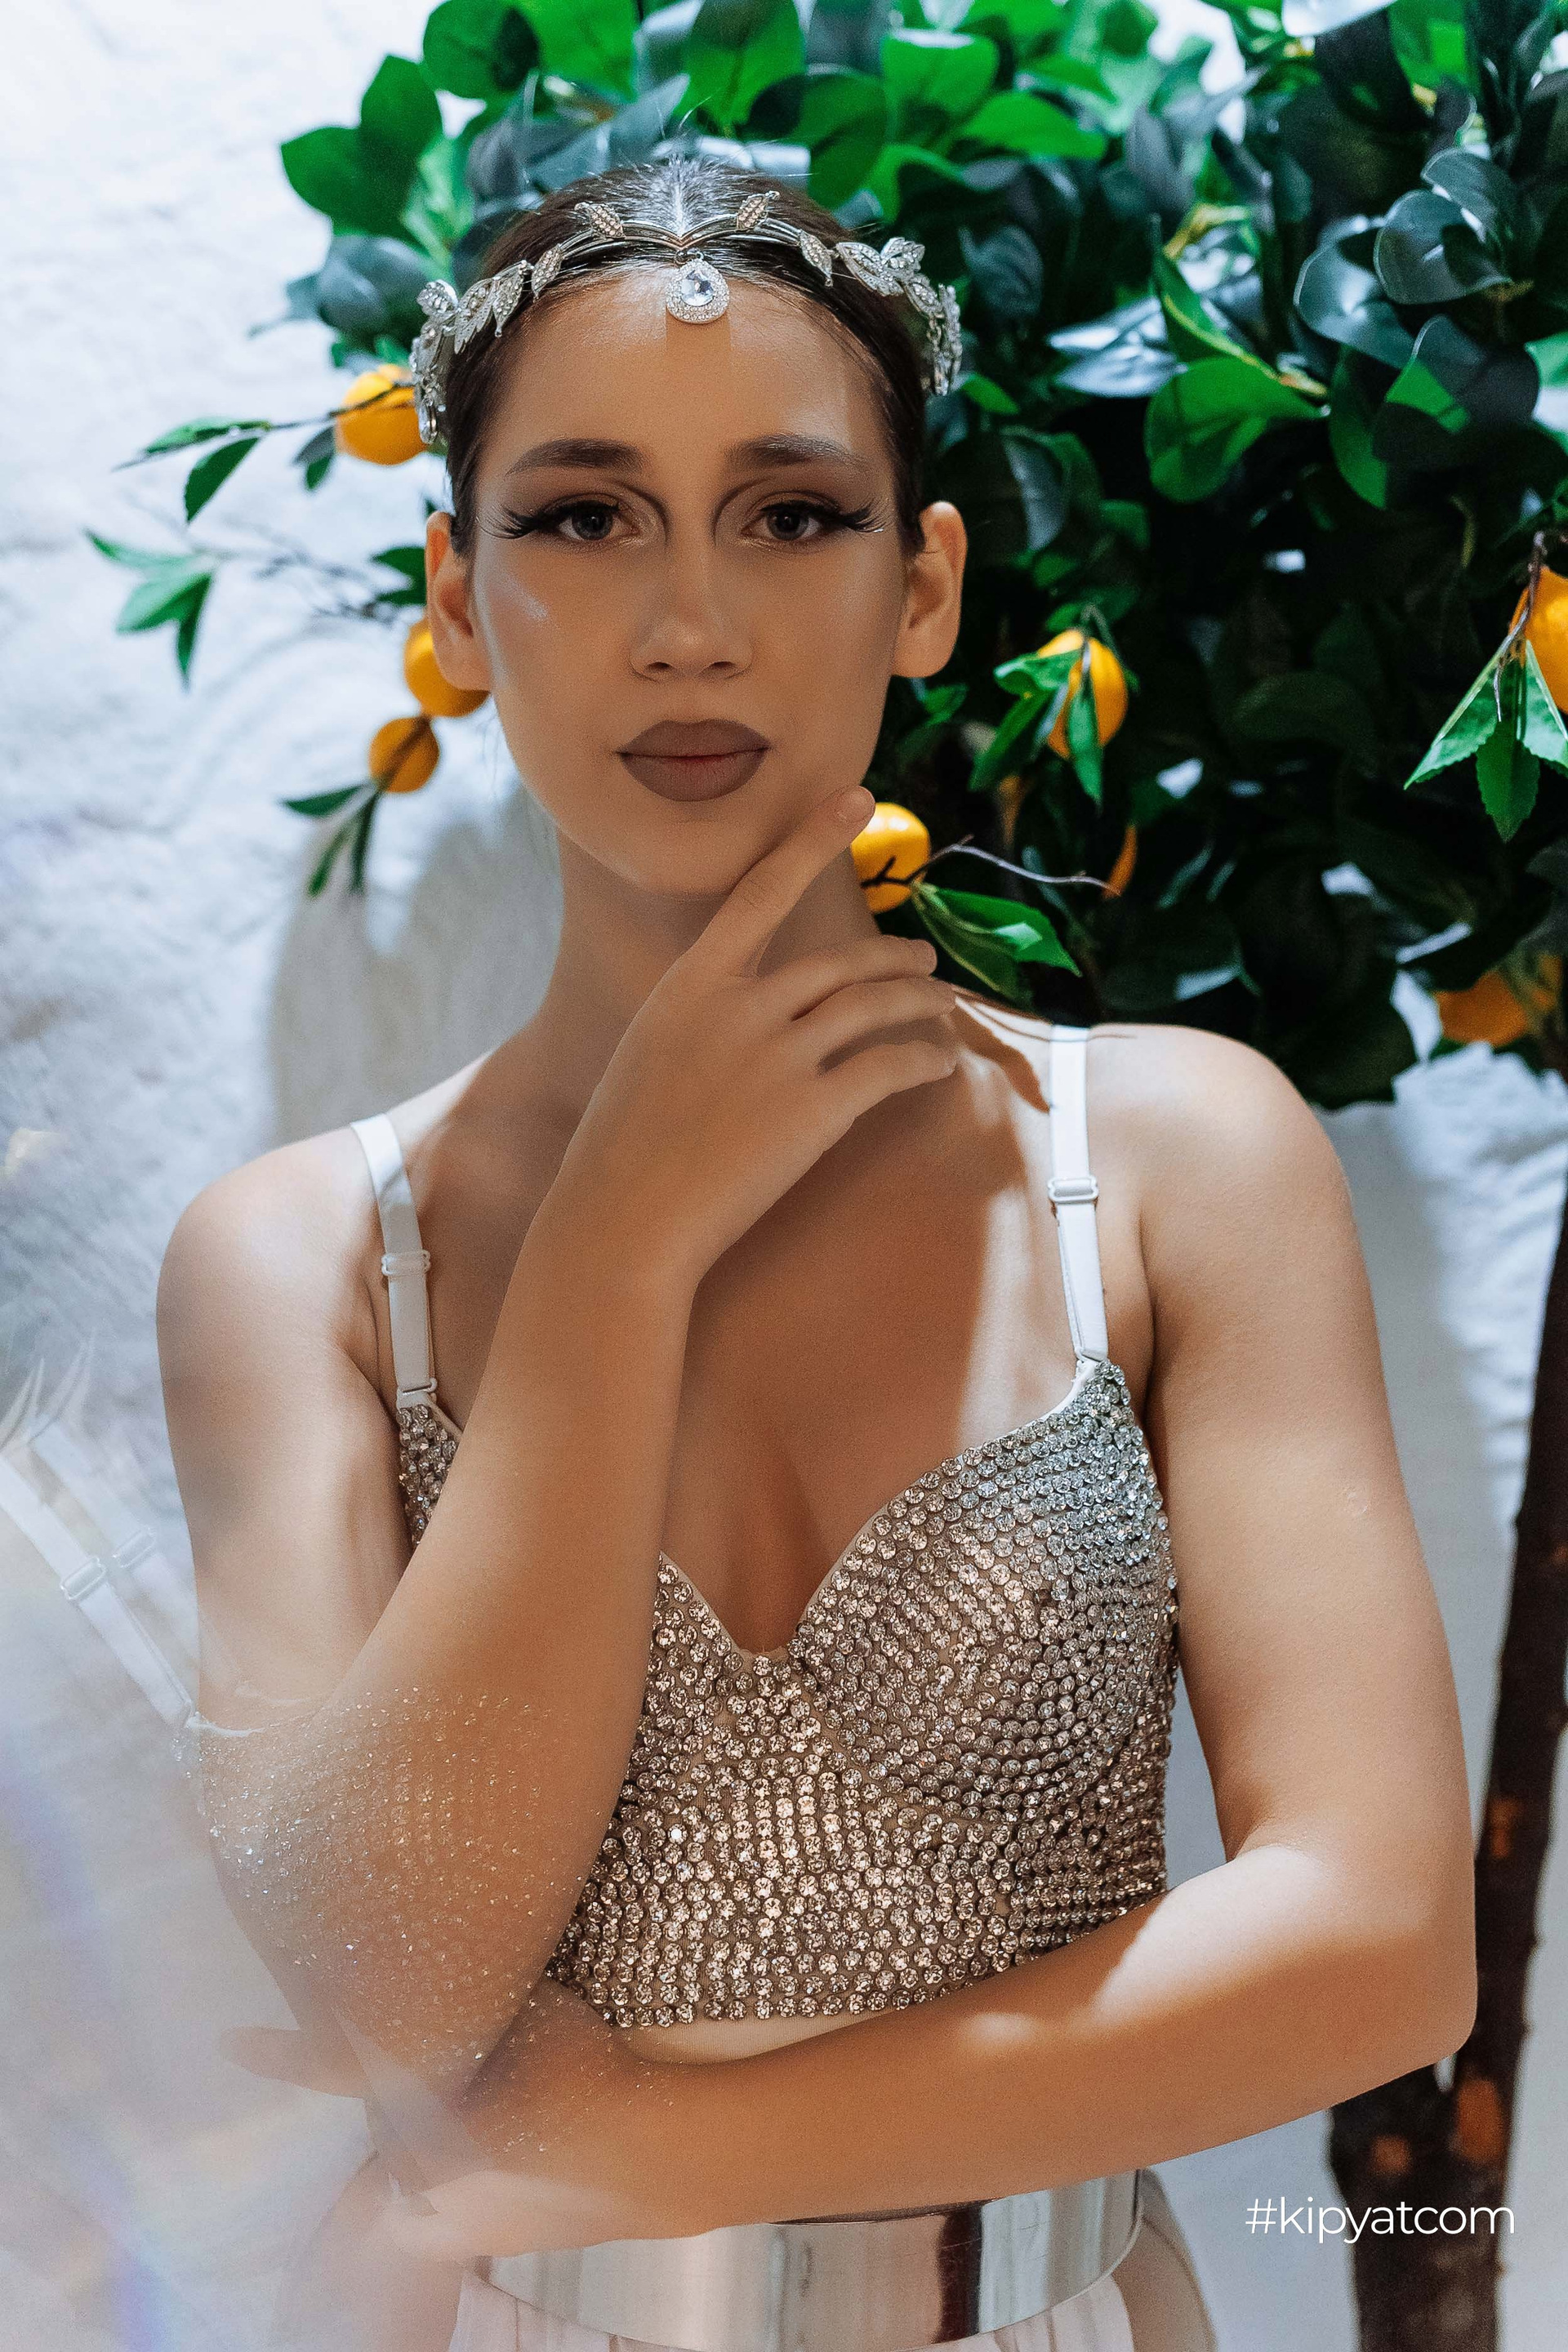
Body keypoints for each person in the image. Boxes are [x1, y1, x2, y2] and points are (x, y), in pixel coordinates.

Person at [156, 158, 1477, 2352]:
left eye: (789, 513)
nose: (692, 622)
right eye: (583, 517)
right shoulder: (296, 1264)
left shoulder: (1172, 1159)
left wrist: (648, 2148)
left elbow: (1381, 1947)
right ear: (458, 598)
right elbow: (388, 1982)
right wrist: (616, 1251)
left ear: (924, 581)